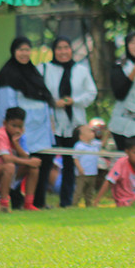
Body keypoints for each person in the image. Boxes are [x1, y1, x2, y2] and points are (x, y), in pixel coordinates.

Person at [0, 37, 56, 209]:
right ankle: (16, 199)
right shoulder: (7, 74)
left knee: (44, 163)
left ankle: (39, 201)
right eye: (20, 50)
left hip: (41, 131)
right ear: (13, 51)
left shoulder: (33, 73)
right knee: (19, 167)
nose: (24, 53)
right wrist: (9, 129)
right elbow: (5, 105)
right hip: (21, 132)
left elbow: (45, 99)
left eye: (27, 50)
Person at [41, 37, 98, 208]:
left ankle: (67, 201)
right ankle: (39, 200)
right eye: (59, 48)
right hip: (52, 122)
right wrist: (53, 102)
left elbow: (91, 93)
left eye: (66, 47)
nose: (63, 52)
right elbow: (40, 91)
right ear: (54, 51)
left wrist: (74, 100)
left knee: (70, 163)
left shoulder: (81, 70)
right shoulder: (45, 69)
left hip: (75, 124)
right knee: (47, 161)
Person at [0, 106, 41, 212]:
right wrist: (29, 161)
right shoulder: (0, 134)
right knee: (9, 166)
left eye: (20, 126)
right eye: (14, 126)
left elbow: (25, 157)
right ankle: (4, 204)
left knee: (33, 168)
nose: (17, 130)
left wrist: (16, 144)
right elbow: (6, 159)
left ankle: (28, 204)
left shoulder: (20, 136)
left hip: (7, 172)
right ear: (5, 123)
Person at [72, 124, 101, 208]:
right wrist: (80, 168)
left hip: (93, 172)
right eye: (89, 131)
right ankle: (74, 204)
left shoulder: (95, 144)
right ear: (81, 136)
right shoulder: (79, 146)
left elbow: (102, 144)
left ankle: (89, 205)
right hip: (82, 174)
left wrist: (106, 133)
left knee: (90, 191)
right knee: (79, 191)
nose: (92, 133)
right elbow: (76, 158)